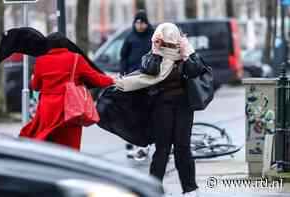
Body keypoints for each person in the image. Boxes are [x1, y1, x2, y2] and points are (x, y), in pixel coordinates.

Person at [115, 23, 204, 196]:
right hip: (161, 106)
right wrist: (156, 51)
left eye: (172, 43)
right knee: (162, 149)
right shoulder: (153, 54)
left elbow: (195, 71)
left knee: (183, 147)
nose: (170, 46)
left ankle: (190, 188)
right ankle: (154, 189)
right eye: (166, 43)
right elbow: (149, 70)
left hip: (183, 106)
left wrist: (187, 53)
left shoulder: (186, 52)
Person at [19, 35, 114, 150]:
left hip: (47, 108)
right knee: (69, 141)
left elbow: (36, 86)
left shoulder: (41, 60)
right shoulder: (76, 59)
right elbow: (96, 78)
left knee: (48, 140)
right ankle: (68, 164)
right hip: (70, 106)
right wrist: (113, 80)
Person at [120, 10, 154, 160]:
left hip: (148, 79)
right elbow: (123, 56)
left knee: (147, 111)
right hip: (132, 79)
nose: (140, 25)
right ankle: (131, 140)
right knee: (132, 111)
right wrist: (123, 72)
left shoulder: (153, 36)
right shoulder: (130, 37)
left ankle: (145, 141)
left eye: (142, 22)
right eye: (137, 22)